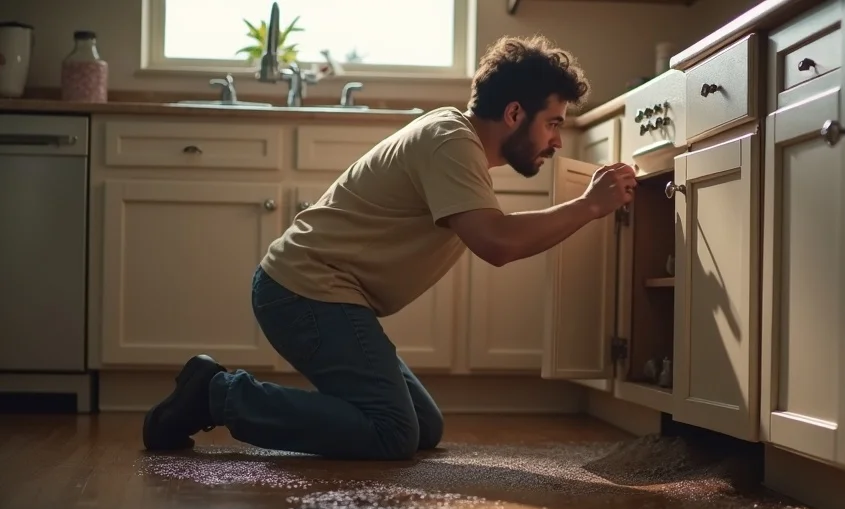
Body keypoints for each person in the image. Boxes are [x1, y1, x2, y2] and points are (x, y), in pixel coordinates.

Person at [141, 34, 637, 460]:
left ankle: (222, 394)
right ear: (513, 113)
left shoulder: (455, 141)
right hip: (304, 293)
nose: (557, 141)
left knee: (423, 428)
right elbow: (496, 242)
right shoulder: (450, 141)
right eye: (553, 123)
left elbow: (495, 234)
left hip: (320, 295)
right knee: (393, 431)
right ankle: (215, 396)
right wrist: (590, 206)